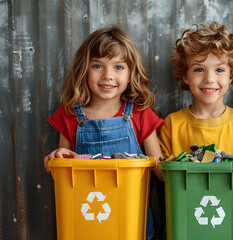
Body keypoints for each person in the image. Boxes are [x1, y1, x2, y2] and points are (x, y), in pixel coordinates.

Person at [43, 26, 163, 239]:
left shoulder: (140, 114)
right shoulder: (70, 115)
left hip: (130, 224)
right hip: (85, 224)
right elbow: (61, 165)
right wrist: (55, 158)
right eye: (97, 66)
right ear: (84, 70)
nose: (108, 76)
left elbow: (160, 170)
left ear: (130, 73)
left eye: (118, 67)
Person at [159, 22, 233, 162]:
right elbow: (164, 174)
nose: (209, 79)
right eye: (199, 70)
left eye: (219, 70)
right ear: (186, 76)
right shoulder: (172, 124)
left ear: (231, 75)